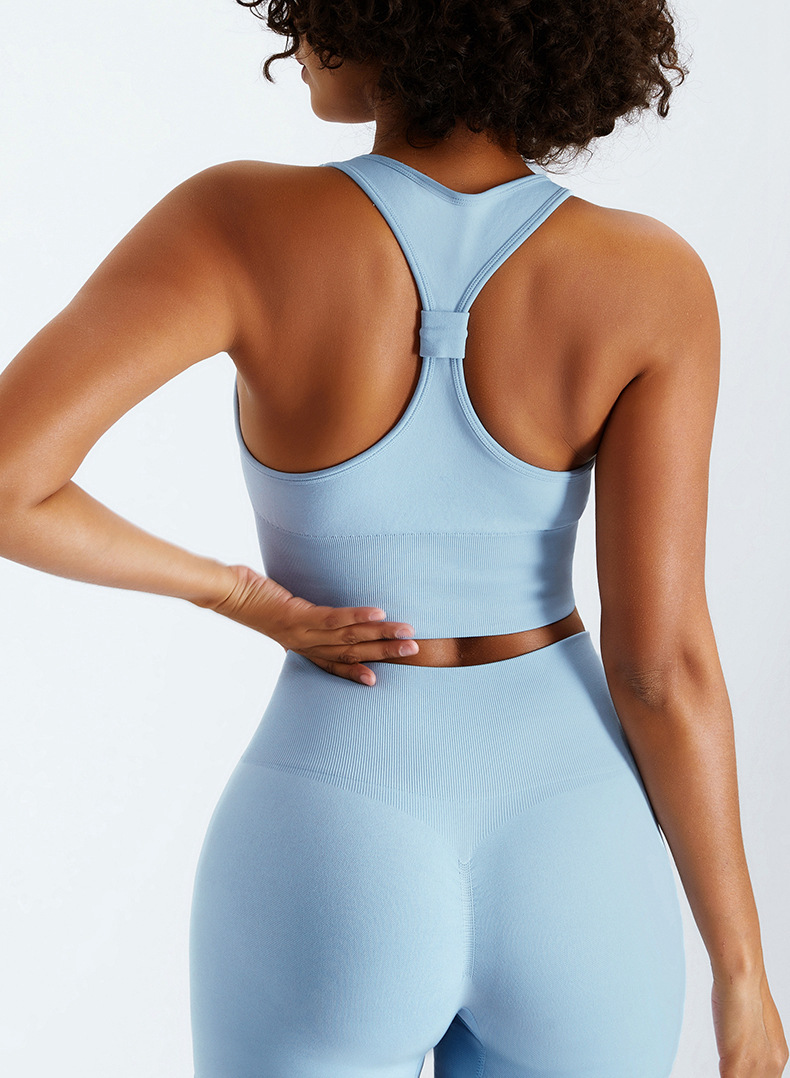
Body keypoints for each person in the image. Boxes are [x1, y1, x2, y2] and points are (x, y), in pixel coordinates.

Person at [0, 0, 786, 1075]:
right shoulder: (651, 276)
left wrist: (242, 595)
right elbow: (662, 669)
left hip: (332, 824)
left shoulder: (236, 222)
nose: (294, 41)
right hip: (578, 842)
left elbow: (11, 483)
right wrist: (742, 972)